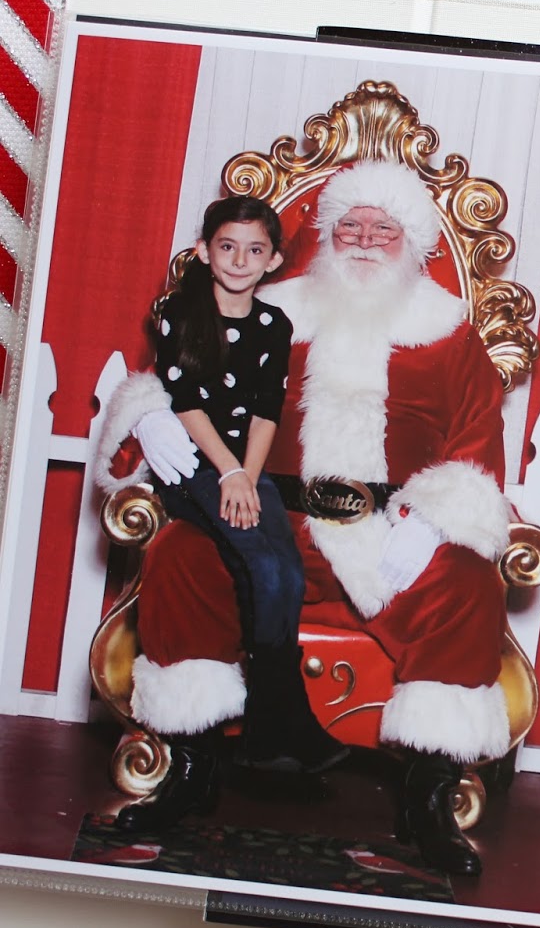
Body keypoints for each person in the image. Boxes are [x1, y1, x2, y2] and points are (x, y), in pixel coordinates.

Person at [95, 161, 514, 876]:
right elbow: (186, 371)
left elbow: (477, 443)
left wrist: (433, 520)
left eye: (383, 229)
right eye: (349, 225)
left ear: (413, 243)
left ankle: (429, 796)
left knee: (467, 585)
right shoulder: (270, 312)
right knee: (182, 555)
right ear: (323, 235)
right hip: (265, 518)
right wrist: (153, 414)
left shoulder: (448, 333)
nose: (364, 239)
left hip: (386, 532)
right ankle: (189, 767)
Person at [116, 196, 348, 835]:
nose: (239, 260)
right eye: (226, 247)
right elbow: (188, 403)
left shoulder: (273, 324)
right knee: (257, 561)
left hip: (247, 465)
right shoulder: (178, 312)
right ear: (203, 251)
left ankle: (272, 724)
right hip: (194, 464)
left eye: (254, 250)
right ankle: (282, 724)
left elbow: (267, 409)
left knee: (285, 571)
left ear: (273, 260)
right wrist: (228, 474)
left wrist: (250, 474)